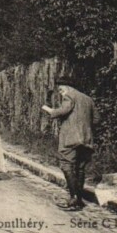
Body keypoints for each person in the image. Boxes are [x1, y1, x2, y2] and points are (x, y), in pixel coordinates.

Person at [42, 77, 98, 211]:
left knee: (66, 165)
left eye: (61, 89)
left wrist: (48, 109)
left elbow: (62, 111)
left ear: (67, 87)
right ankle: (78, 199)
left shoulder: (69, 96)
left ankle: (74, 199)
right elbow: (96, 119)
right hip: (86, 139)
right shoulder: (88, 99)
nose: (60, 92)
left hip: (70, 139)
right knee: (80, 168)